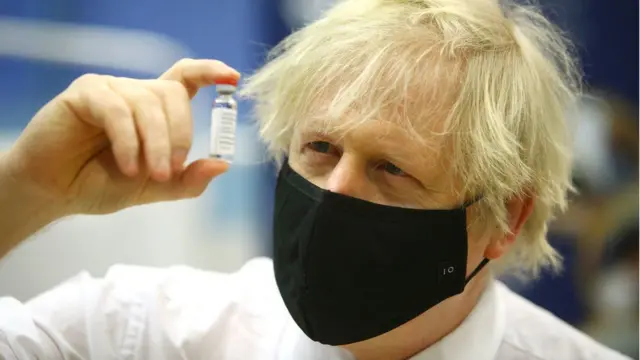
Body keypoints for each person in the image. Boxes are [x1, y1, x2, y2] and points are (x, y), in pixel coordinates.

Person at [0, 0, 631, 359]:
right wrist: (27, 188)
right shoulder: (150, 333)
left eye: (392, 168)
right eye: (320, 148)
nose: (333, 192)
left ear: (505, 219)